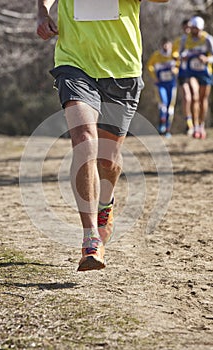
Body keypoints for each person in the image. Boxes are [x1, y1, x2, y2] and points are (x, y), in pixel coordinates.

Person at [37, 0, 169, 272]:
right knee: (84, 140)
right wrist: (42, 10)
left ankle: (105, 204)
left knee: (107, 161)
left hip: (122, 69)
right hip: (74, 63)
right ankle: (90, 239)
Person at [179, 16, 213, 139]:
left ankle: (201, 126)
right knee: (194, 96)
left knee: (203, 99)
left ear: (201, 29)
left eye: (197, 29)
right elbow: (180, 54)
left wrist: (207, 59)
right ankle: (194, 125)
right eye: (193, 28)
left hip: (205, 72)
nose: (194, 31)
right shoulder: (185, 39)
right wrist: (183, 57)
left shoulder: (207, 39)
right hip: (191, 72)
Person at [146, 37, 178, 137]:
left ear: (171, 45)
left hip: (171, 85)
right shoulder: (156, 56)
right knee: (163, 105)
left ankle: (168, 129)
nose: (165, 46)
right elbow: (149, 66)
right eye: (164, 44)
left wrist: (175, 70)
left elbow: (180, 65)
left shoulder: (174, 56)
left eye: (167, 44)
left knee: (170, 108)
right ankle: (161, 126)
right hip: (160, 85)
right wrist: (154, 76)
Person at [172, 19, 195, 136]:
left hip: (195, 72)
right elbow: (173, 54)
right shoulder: (178, 41)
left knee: (196, 97)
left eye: (190, 27)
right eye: (185, 27)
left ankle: (197, 123)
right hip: (183, 72)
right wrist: (179, 57)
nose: (188, 30)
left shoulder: (197, 40)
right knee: (187, 97)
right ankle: (189, 123)